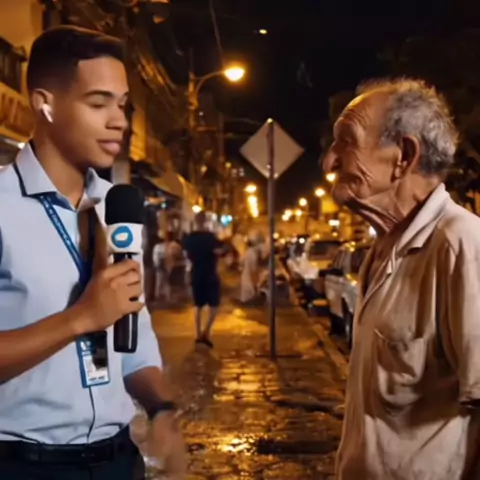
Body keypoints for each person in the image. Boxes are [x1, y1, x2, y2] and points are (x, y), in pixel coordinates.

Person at [0, 26, 186, 479]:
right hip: (22, 465)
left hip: (117, 460)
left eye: (122, 105)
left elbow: (134, 338)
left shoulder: (115, 210)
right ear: (44, 104)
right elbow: (96, 315)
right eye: (99, 103)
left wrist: (161, 408)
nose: (119, 121)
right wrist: (81, 317)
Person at [323, 78, 480, 480]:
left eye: (347, 142)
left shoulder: (460, 244)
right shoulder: (381, 250)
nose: (329, 161)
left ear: (403, 156)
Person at [183, 212, 223, 348]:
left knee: (198, 305)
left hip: (196, 273)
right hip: (210, 273)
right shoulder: (211, 238)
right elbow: (220, 251)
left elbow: (185, 255)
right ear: (205, 221)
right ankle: (206, 332)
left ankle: (198, 334)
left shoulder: (189, 238)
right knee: (215, 305)